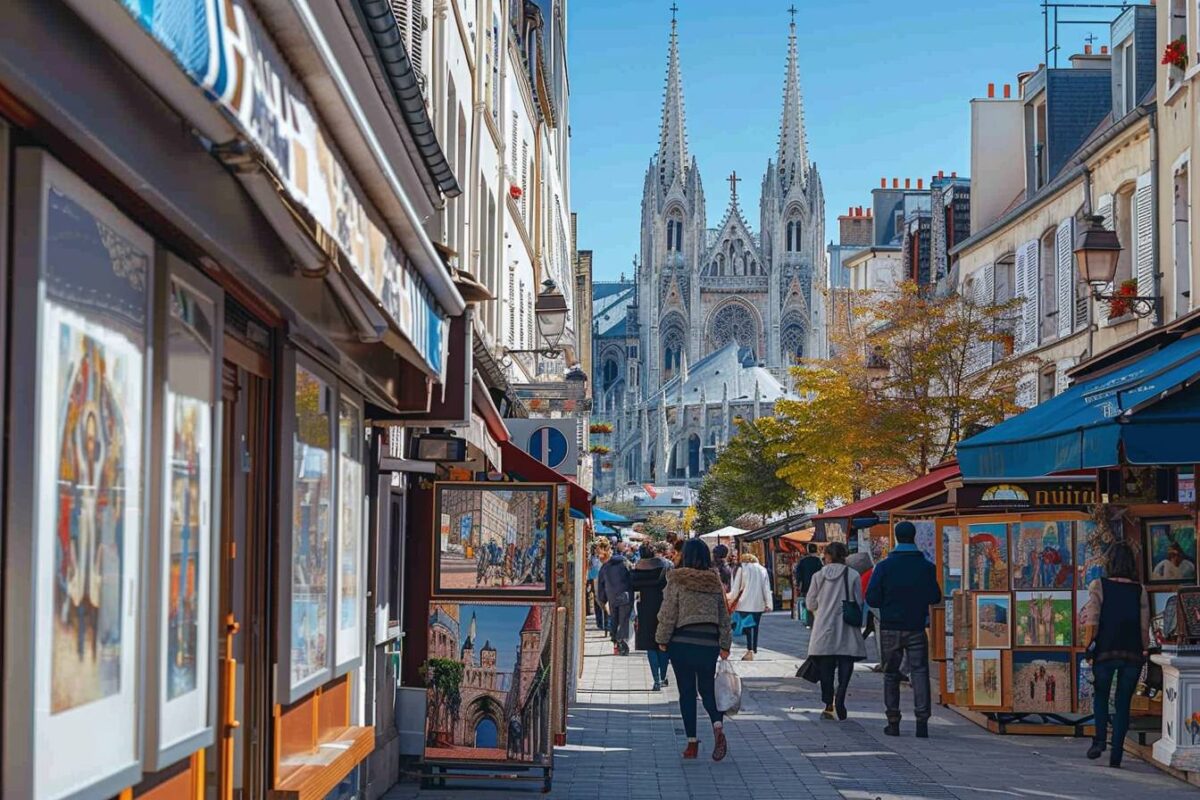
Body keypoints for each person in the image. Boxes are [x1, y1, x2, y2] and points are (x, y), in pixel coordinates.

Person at [656, 538, 732, 761]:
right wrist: (725, 644)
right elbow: (723, 616)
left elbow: (669, 612)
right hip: (708, 643)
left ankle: (691, 744)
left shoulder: (676, 579)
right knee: (707, 690)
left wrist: (662, 638)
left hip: (682, 642)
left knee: (687, 692)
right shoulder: (714, 581)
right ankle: (717, 726)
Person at [866, 521, 942, 738]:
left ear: (897, 538)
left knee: (890, 674)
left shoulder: (884, 567)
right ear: (914, 536)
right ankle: (922, 721)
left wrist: (888, 604)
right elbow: (934, 597)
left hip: (890, 627)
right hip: (916, 626)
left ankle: (893, 721)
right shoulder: (926, 567)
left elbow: (872, 597)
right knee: (919, 672)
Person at [1081, 541, 1150, 768]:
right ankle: (1117, 754)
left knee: (1100, 695)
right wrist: (1145, 649)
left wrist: (1087, 645)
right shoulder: (1140, 590)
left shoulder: (1098, 585)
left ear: (1110, 562)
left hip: (1105, 650)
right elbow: (1143, 625)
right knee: (1123, 703)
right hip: (1131, 652)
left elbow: (1093, 620)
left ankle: (1099, 740)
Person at [805, 542, 866, 720]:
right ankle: (841, 693)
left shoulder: (818, 576)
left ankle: (828, 703)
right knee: (846, 661)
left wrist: (821, 608)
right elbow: (858, 600)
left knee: (826, 668)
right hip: (846, 625)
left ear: (828, 556)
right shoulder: (853, 574)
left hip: (824, 626)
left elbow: (810, 603)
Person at [632, 542, 672, 689]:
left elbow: (632, 586)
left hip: (645, 609)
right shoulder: (666, 565)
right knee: (663, 643)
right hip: (664, 606)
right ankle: (664, 675)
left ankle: (656, 680)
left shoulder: (637, 569)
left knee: (650, 646)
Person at [728, 552, 772, 660]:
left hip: (744, 603)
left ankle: (750, 650)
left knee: (747, 627)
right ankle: (752, 649)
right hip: (758, 603)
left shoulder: (742, 569)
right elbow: (766, 588)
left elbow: (736, 587)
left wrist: (730, 599)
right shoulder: (762, 570)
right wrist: (768, 604)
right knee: (755, 626)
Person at [596, 539, 634, 655]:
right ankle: (623, 640)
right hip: (626, 594)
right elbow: (632, 576)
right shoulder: (624, 562)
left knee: (614, 620)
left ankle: (616, 643)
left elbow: (601, 588)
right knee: (625, 620)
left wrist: (602, 601)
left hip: (612, 596)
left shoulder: (604, 568)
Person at [794, 546, 823, 628]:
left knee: (808, 602)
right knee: (817, 602)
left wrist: (798, 584)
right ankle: (817, 620)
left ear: (807, 550)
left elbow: (798, 574)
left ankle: (809, 622)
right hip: (818, 585)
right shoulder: (818, 560)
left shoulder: (803, 561)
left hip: (806, 585)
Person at [588, 543, 608, 632]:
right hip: (595, 580)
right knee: (597, 602)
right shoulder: (591, 559)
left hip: (604, 581)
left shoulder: (605, 557)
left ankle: (606, 623)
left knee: (604, 601)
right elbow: (590, 572)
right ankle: (600, 622)